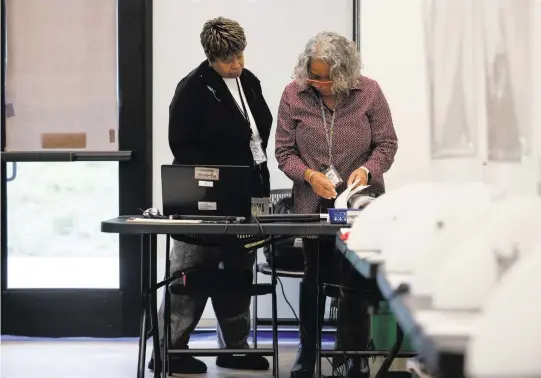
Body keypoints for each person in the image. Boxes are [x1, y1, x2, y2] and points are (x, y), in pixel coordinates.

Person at [149, 17, 272, 374]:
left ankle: (235, 346)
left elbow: (259, 134)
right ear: (210, 56)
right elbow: (183, 146)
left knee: (239, 270)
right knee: (190, 270)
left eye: (239, 55)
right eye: (227, 59)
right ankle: (170, 349)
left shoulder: (249, 82)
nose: (236, 64)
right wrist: (215, 182)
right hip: (205, 197)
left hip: (251, 190)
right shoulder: (192, 88)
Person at [275, 31, 398, 378]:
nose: (322, 83)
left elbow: (387, 144)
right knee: (314, 277)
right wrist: (310, 176)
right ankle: (307, 351)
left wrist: (367, 170)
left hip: (359, 204)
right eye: (315, 75)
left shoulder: (369, 92)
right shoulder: (293, 95)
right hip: (312, 203)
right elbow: (284, 152)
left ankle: (354, 355)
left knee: (355, 280)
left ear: (346, 72)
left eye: (329, 77)